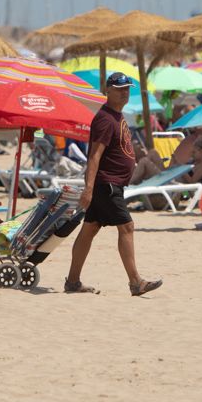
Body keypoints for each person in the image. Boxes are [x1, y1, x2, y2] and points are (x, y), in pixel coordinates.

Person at [65, 73, 162, 296]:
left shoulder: (116, 116)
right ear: (107, 90)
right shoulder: (105, 119)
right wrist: (88, 189)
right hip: (106, 184)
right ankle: (136, 282)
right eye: (119, 89)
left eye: (127, 88)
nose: (124, 92)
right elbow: (94, 156)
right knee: (126, 227)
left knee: (89, 229)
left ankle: (72, 282)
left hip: (111, 184)